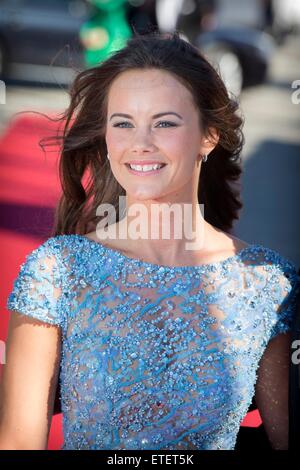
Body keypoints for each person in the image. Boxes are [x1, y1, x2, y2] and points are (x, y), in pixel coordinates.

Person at [0, 31, 299, 450]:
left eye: (164, 123)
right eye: (123, 123)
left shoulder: (269, 285)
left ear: (209, 136)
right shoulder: (57, 271)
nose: (140, 144)